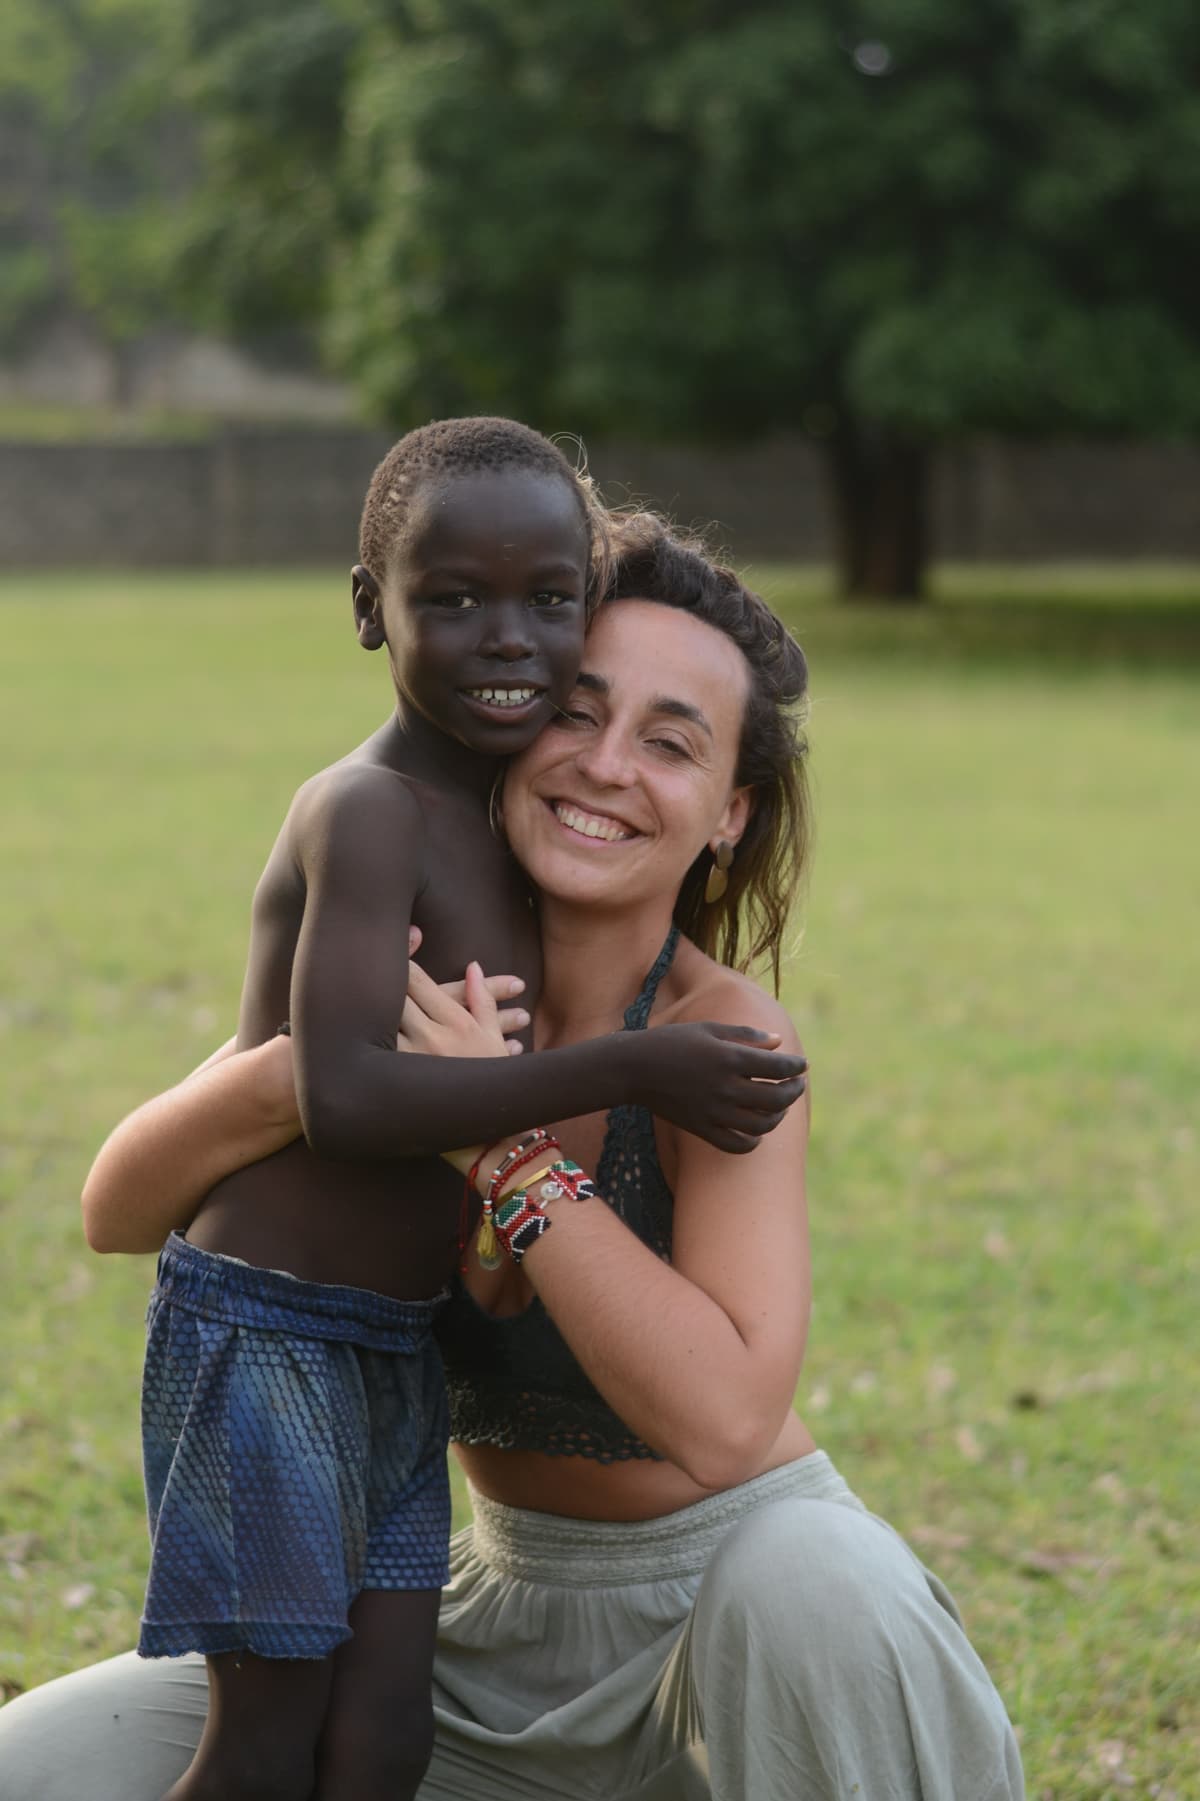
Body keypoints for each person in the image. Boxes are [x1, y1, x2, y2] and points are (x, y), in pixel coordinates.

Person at [0, 518, 1025, 1801]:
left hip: (727, 1638)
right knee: (35, 1767)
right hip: (474, 1642)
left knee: (810, 1577)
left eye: (669, 742)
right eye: (574, 712)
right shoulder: (416, 963)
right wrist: (333, 1068)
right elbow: (118, 1205)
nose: (604, 767)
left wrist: (495, 1135)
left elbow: (725, 1417)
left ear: (729, 812)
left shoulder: (724, 1039)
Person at [106, 420, 808, 1801]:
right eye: (456, 601)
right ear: (374, 612)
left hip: (386, 1358)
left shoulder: (508, 840)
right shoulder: (372, 814)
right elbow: (338, 1099)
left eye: (547, 605)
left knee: (380, 1743)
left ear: (731, 807)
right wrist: (621, 1074)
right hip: (274, 1329)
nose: (509, 645)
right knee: (260, 1745)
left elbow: (717, 1408)